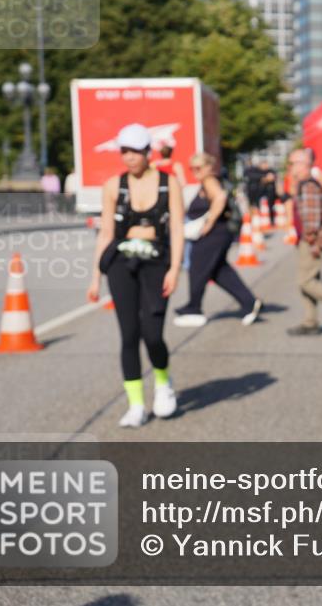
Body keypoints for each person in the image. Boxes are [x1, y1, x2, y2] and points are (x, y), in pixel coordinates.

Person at [87, 123, 184, 428]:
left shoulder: (169, 183)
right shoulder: (113, 186)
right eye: (124, 151)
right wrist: (95, 276)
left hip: (157, 262)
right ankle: (136, 404)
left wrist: (175, 269)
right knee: (129, 334)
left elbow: (177, 229)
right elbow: (105, 232)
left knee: (152, 334)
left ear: (147, 152)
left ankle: (163, 383)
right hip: (122, 262)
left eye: (135, 152)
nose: (129, 157)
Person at [173, 153, 262, 328]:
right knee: (219, 271)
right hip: (220, 233)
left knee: (198, 268)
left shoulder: (209, 180)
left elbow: (220, 197)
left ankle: (194, 307)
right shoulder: (208, 181)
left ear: (209, 167)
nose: (195, 171)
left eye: (198, 168)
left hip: (215, 233)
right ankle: (249, 302)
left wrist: (209, 221)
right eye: (192, 168)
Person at [287, 148, 322, 336]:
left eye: (293, 163)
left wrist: (314, 243)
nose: (291, 168)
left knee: (305, 281)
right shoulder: (303, 184)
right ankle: (310, 321)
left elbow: (312, 220)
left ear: (304, 165)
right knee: (311, 279)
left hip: (311, 241)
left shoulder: (309, 185)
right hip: (308, 240)